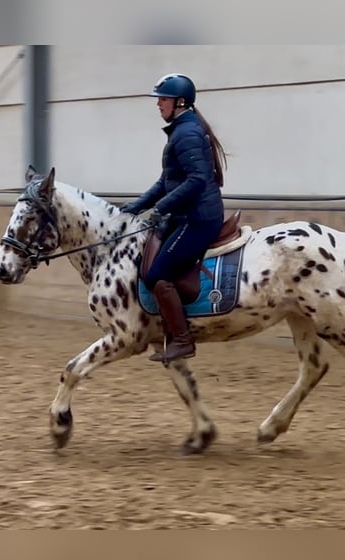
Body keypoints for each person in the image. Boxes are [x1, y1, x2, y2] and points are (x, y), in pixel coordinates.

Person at [120, 73, 227, 363]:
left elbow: (196, 181)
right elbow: (166, 181)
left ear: (179, 102)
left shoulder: (187, 133)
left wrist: (161, 208)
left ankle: (183, 341)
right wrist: (135, 206)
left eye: (163, 100)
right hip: (186, 214)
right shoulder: (182, 130)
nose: (159, 105)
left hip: (198, 219)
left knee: (157, 274)